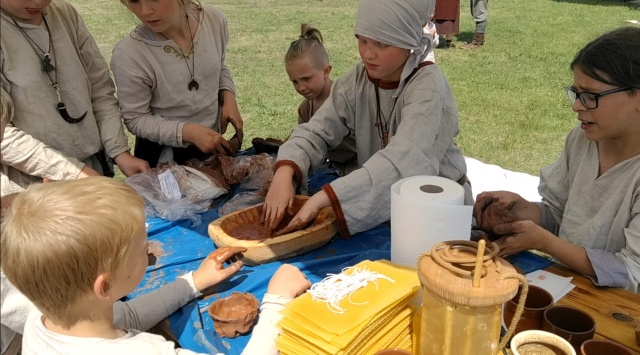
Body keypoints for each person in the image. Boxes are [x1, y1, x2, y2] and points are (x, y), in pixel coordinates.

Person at [0, 177, 311, 354]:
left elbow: (128, 314)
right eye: (141, 248)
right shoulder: (148, 351)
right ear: (105, 286)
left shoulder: (43, 323)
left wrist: (193, 282)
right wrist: (277, 301)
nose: (149, 249)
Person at [262, 0, 472, 238]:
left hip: (437, 215)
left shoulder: (428, 88)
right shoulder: (358, 79)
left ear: (407, 40)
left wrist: (326, 197)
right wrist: (286, 169)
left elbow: (405, 162)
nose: (368, 53)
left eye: (382, 43)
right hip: (381, 207)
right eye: (362, 40)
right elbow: (317, 129)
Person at [473, 27, 640, 292]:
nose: (577, 106)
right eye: (576, 93)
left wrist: (544, 242)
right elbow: (561, 214)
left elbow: (631, 272)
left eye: (591, 96)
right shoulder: (582, 140)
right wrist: (519, 209)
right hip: (563, 285)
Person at [0, 0, 149, 198]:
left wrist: (119, 151)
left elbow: (100, 89)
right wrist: (72, 172)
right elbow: (4, 137)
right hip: (33, 187)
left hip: (92, 170)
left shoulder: (64, 14)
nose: (39, 2)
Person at [111, 0, 243, 168]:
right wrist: (188, 132)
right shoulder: (130, 54)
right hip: (163, 160)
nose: (145, 11)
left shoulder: (213, 21)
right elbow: (136, 118)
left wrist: (228, 97)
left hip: (212, 148)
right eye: (134, 1)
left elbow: (219, 67)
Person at [284, 23, 357, 175]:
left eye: (306, 78)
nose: (301, 87)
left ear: (326, 71)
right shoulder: (306, 109)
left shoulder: (347, 100)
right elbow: (304, 142)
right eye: (295, 81)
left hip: (358, 167)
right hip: (330, 167)